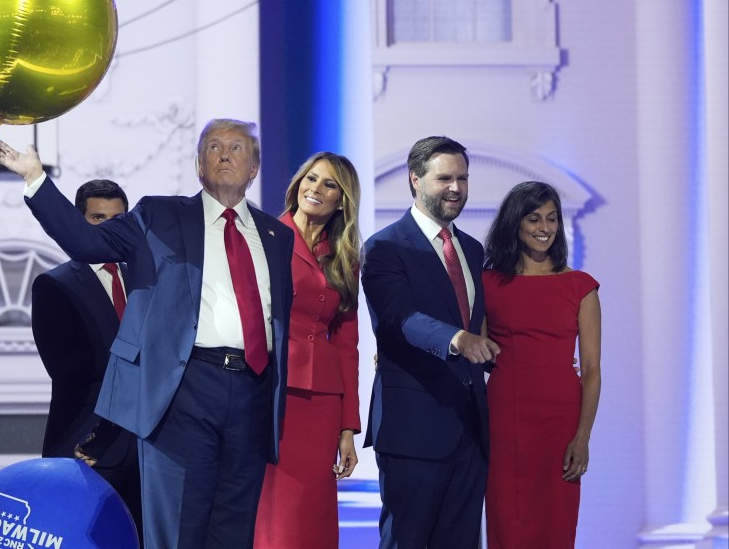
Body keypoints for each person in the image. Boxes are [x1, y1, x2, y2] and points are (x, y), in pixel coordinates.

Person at [0, 118, 295, 549]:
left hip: (253, 391)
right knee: (177, 528)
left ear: (255, 167)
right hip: (184, 388)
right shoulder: (159, 216)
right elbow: (85, 244)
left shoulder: (276, 236)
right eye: (213, 147)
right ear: (198, 165)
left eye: (237, 147)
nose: (225, 154)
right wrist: (35, 178)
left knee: (234, 528)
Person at [361, 135, 500, 549]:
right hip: (412, 430)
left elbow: (484, 326)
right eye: (444, 179)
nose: (456, 188)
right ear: (415, 180)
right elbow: (399, 318)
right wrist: (456, 339)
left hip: (470, 429)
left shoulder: (472, 250)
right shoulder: (384, 247)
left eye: (462, 178)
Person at [482, 181, 601, 549]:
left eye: (551, 219)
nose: (544, 228)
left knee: (556, 522)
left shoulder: (581, 286)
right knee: (507, 519)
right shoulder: (487, 283)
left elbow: (593, 371)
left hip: (560, 420)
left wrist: (582, 438)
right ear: (515, 224)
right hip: (504, 415)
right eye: (534, 219)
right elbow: (479, 352)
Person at [254, 152, 363, 548]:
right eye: (311, 178)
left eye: (329, 184)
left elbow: (348, 344)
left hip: (321, 402)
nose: (316, 188)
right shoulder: (264, 236)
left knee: (312, 511)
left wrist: (348, 427)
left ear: (342, 200)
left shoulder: (345, 256)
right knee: (275, 510)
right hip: (271, 392)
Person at [31, 179, 142, 543]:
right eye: (97, 219)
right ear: (77, 222)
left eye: (118, 218)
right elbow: (67, 368)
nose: (110, 228)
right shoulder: (54, 285)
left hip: (146, 444)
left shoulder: (147, 281)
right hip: (85, 439)